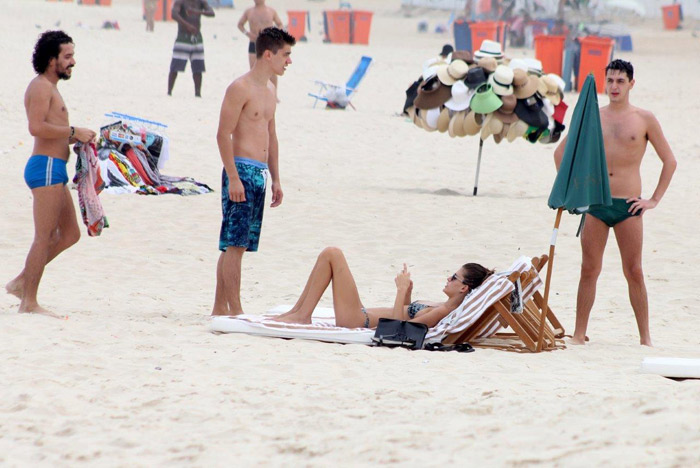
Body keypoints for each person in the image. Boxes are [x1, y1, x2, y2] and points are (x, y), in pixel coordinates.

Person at [553, 59, 677, 346]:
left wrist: (653, 200)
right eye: (610, 80)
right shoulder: (593, 116)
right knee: (589, 269)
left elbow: (669, 161)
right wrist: (575, 193)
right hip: (596, 205)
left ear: (631, 84)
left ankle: (645, 338)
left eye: (620, 81)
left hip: (629, 207)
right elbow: (561, 154)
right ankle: (579, 334)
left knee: (633, 271)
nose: (614, 86)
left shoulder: (644, 118)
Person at [5, 30, 96, 318]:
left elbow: (51, 131)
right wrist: (72, 131)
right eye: (67, 57)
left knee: (70, 233)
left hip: (55, 167)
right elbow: (35, 127)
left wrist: (77, 138)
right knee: (43, 236)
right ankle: (28, 302)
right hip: (43, 167)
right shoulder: (42, 87)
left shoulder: (52, 88)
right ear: (51, 59)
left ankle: (22, 281)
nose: (72, 62)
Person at [212, 27, 295, 316]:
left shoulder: (271, 90)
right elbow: (223, 134)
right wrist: (233, 177)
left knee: (236, 245)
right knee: (235, 244)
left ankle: (219, 308)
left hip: (259, 175)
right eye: (286, 55)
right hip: (241, 172)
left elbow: (272, 137)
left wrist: (277, 179)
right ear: (268, 54)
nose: (289, 61)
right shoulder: (240, 88)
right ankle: (235, 310)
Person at [273, 247, 494, 328]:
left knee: (332, 254)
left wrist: (399, 291)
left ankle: (302, 315)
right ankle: (298, 312)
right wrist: (407, 293)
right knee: (328, 256)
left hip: (359, 321)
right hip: (361, 314)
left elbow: (398, 329)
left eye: (454, 277)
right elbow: (406, 313)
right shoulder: (442, 305)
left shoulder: (443, 311)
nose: (449, 278)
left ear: (464, 288)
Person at [168, 0, 215, 97]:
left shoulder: (200, 2)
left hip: (197, 37)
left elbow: (212, 13)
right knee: (175, 66)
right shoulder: (181, 1)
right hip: (183, 37)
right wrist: (187, 25)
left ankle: (198, 93)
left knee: (198, 67)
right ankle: (169, 91)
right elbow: (174, 14)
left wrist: (197, 12)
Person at [237, 0, 283, 94]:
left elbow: (280, 24)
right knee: (254, 69)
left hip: (268, 43)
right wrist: (248, 34)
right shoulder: (249, 11)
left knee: (272, 69)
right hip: (254, 42)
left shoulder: (271, 11)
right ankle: (256, 92)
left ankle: (274, 93)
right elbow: (240, 25)